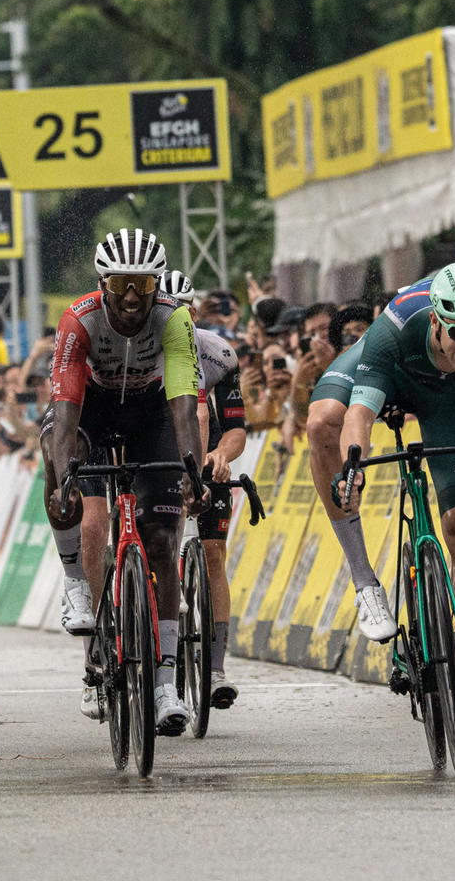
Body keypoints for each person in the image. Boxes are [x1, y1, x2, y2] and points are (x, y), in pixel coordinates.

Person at [326, 262, 455, 736]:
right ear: (438, 319)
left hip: (451, 400)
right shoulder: (398, 320)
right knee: (323, 423)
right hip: (393, 374)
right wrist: (352, 468)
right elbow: (359, 414)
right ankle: (365, 582)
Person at [41, 229, 205, 735]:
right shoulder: (79, 319)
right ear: (102, 283)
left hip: (151, 412)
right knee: (54, 449)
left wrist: (193, 470)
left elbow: (183, 406)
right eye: (120, 283)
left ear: (156, 284)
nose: (132, 296)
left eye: (142, 283)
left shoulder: (175, 317)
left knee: (159, 543)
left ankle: (164, 684)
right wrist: (66, 474)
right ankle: (76, 582)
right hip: (91, 410)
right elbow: (66, 411)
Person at [163, 269, 249, 708]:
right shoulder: (134, 356)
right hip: (157, 449)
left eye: (185, 313)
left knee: (214, 553)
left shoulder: (219, 356)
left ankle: (214, 668)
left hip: (205, 452)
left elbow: (235, 430)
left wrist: (222, 456)